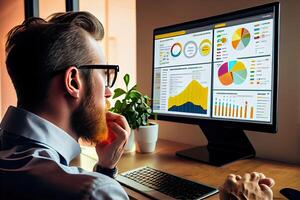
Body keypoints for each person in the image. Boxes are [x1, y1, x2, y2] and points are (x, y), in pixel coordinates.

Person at [0, 11, 274, 200]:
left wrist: (106, 168)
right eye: (105, 75)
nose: (108, 91)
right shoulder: (95, 192)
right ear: (74, 81)